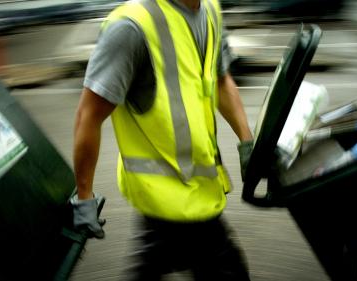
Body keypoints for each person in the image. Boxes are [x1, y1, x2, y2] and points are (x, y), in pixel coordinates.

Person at [71, 0, 254, 279]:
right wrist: (84, 197)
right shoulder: (131, 27)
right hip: (167, 201)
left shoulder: (210, 10)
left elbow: (220, 79)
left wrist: (247, 141)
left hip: (197, 193)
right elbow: (89, 115)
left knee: (155, 262)